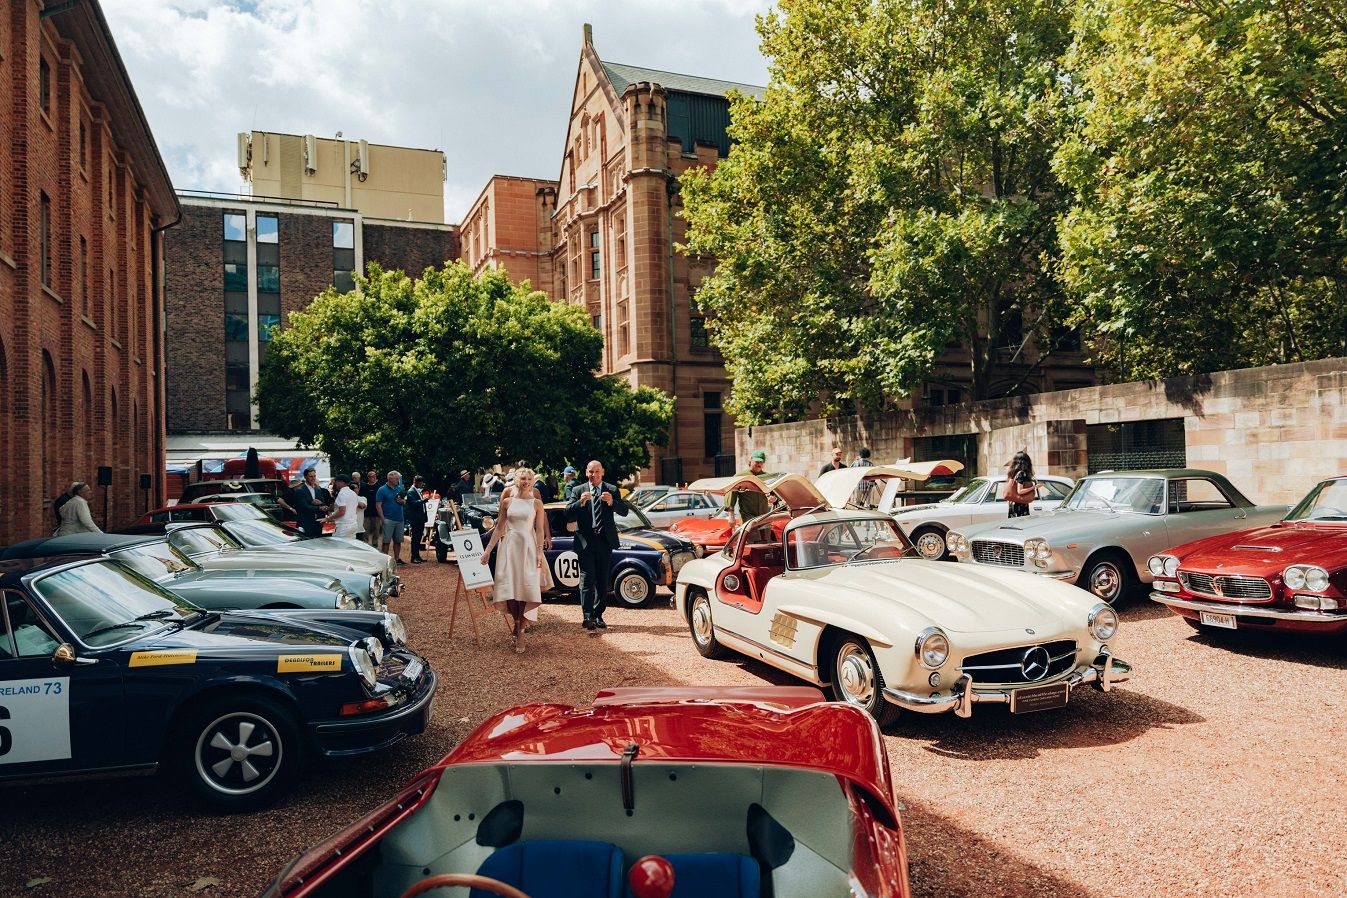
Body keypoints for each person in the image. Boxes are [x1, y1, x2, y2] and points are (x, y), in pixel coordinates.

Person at [482, 468, 553, 652]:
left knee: (526, 589)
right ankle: (516, 620)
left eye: (529, 479)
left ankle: (521, 629)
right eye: (523, 478)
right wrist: (488, 550)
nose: (526, 481)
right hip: (509, 547)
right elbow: (499, 527)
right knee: (510, 590)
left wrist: (539, 552)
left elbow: (538, 529)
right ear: (516, 480)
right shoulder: (507, 501)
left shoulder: (537, 503)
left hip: (528, 547)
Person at [565, 460, 628, 631]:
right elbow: (567, 512)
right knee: (587, 578)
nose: (594, 475)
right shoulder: (578, 490)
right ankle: (587, 616)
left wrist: (612, 503)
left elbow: (625, 510)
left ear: (603, 472)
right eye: (591, 472)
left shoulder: (612, 490)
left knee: (602, 580)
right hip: (585, 541)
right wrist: (579, 503)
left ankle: (598, 614)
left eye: (597, 472)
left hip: (604, 541)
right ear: (586, 473)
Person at [375, 470, 408, 564]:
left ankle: (397, 559)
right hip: (388, 518)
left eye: (398, 478)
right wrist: (382, 518)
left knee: (398, 541)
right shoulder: (382, 490)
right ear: (390, 479)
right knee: (386, 541)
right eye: (396, 478)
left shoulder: (399, 489)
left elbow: (404, 501)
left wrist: (402, 502)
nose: (398, 480)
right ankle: (385, 560)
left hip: (399, 518)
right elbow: (378, 505)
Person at [730, 450, 772, 522]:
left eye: (761, 462)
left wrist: (774, 497)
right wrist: (731, 515)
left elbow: (775, 491)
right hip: (748, 517)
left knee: (766, 533)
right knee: (754, 533)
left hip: (764, 516)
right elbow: (731, 496)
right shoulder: (740, 477)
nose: (759, 464)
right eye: (757, 462)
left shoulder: (767, 476)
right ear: (750, 461)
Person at [292, 468, 332, 538]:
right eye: (311, 476)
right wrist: (319, 507)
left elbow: (323, 504)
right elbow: (304, 507)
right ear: (305, 477)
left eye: (314, 476)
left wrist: (322, 505)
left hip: (318, 523)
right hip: (305, 523)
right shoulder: (300, 491)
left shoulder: (318, 489)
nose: (313, 478)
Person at [324, 474, 363, 540]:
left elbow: (342, 511)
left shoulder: (342, 493)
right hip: (353, 524)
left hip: (343, 526)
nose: (335, 484)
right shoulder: (353, 493)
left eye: (336, 482)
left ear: (341, 482)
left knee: (339, 547)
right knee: (350, 546)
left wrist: (328, 518)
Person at [1002, 451, 1037, 518]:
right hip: (1020, 505)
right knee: (1022, 525)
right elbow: (1020, 491)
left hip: (1015, 504)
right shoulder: (1021, 473)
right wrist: (1034, 487)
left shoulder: (1014, 473)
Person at [406, 475, 428, 563]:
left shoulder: (417, 491)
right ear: (415, 482)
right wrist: (423, 500)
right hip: (415, 518)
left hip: (420, 517)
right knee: (415, 538)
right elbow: (412, 503)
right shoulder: (411, 491)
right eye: (420, 483)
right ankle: (414, 556)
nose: (421, 485)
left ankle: (417, 555)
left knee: (418, 537)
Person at [362, 470, 381, 544]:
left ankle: (375, 545)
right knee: (365, 531)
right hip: (366, 513)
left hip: (376, 513)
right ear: (368, 478)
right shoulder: (364, 487)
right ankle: (366, 546)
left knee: (376, 531)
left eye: (373, 476)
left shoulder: (379, 487)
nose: (372, 478)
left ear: (375, 477)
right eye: (370, 476)